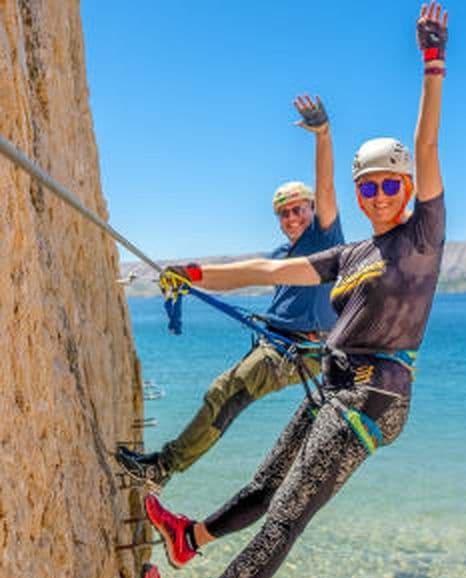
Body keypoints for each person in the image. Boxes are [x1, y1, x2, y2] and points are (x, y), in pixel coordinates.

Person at [142, 3, 448, 578]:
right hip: (335, 388)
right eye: (370, 187)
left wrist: (432, 63)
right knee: (266, 486)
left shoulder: (422, 239)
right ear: (361, 196)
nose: (380, 195)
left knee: (286, 517)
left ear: (408, 188)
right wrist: (194, 273)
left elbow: (427, 142)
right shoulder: (350, 254)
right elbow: (264, 267)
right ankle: (189, 540)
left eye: (391, 184)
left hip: (371, 397)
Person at [116, 95, 344, 487]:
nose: (292, 217)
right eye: (284, 213)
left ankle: (162, 467)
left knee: (224, 392)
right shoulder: (280, 255)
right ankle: (162, 468)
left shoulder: (326, 238)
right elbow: (238, 276)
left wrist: (322, 135)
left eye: (298, 209)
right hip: (278, 346)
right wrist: (188, 275)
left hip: (297, 351)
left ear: (311, 211)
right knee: (225, 399)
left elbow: (326, 186)